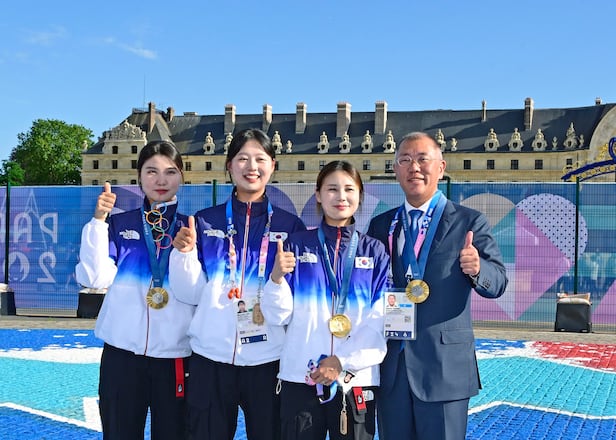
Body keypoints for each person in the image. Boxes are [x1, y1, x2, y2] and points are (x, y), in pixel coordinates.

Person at [367, 132, 508, 440]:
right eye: (405, 160)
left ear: (441, 168)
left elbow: (498, 281)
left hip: (445, 369)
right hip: (392, 369)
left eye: (422, 159)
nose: (414, 167)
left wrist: (478, 268)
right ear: (396, 170)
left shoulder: (469, 222)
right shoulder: (381, 225)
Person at [169, 128, 306, 440]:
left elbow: (292, 306)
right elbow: (189, 293)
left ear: (272, 165)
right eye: (242, 158)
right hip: (210, 358)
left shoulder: (291, 226)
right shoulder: (204, 221)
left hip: (268, 359)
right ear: (229, 165)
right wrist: (184, 255)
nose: (251, 167)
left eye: (260, 159)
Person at [261, 160, 390, 440]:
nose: (341, 196)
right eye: (332, 189)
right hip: (302, 376)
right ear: (318, 195)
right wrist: (276, 279)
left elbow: (379, 320)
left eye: (349, 189)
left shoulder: (375, 252)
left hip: (354, 379)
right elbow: (278, 316)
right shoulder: (296, 245)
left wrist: (341, 361)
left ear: (360, 195)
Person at [75, 140, 194, 439]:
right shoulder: (118, 224)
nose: (161, 180)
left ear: (181, 177)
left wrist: (188, 254)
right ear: (139, 176)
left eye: (170, 172)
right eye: (152, 171)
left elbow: (197, 292)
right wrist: (98, 222)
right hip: (122, 356)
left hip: (174, 357)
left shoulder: (192, 229)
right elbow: (94, 278)